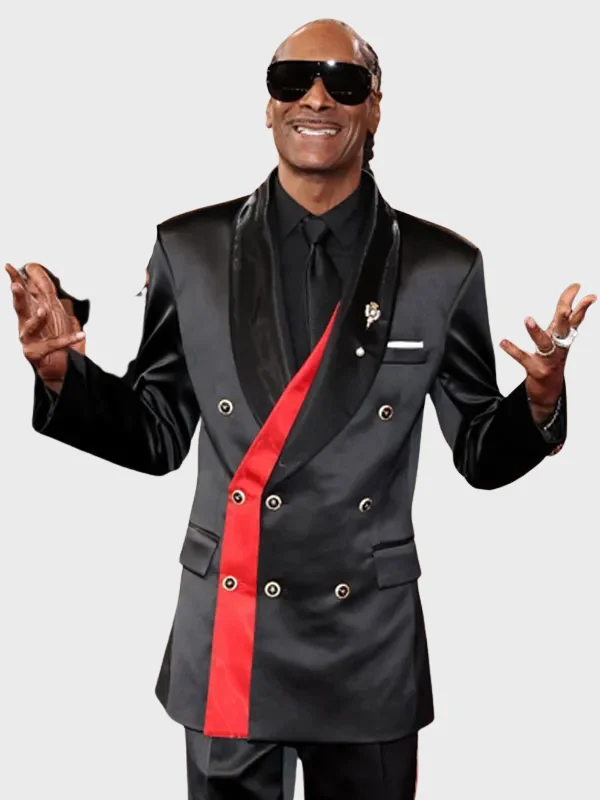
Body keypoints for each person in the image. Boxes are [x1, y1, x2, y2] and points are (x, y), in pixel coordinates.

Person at [6, 17, 595, 800]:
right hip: (234, 630)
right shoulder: (191, 249)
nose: (316, 97)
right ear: (269, 105)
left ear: (375, 108)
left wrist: (540, 400)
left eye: (343, 83)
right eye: (293, 80)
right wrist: (61, 376)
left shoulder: (439, 266)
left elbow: (481, 453)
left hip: (366, 641)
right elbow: (157, 432)